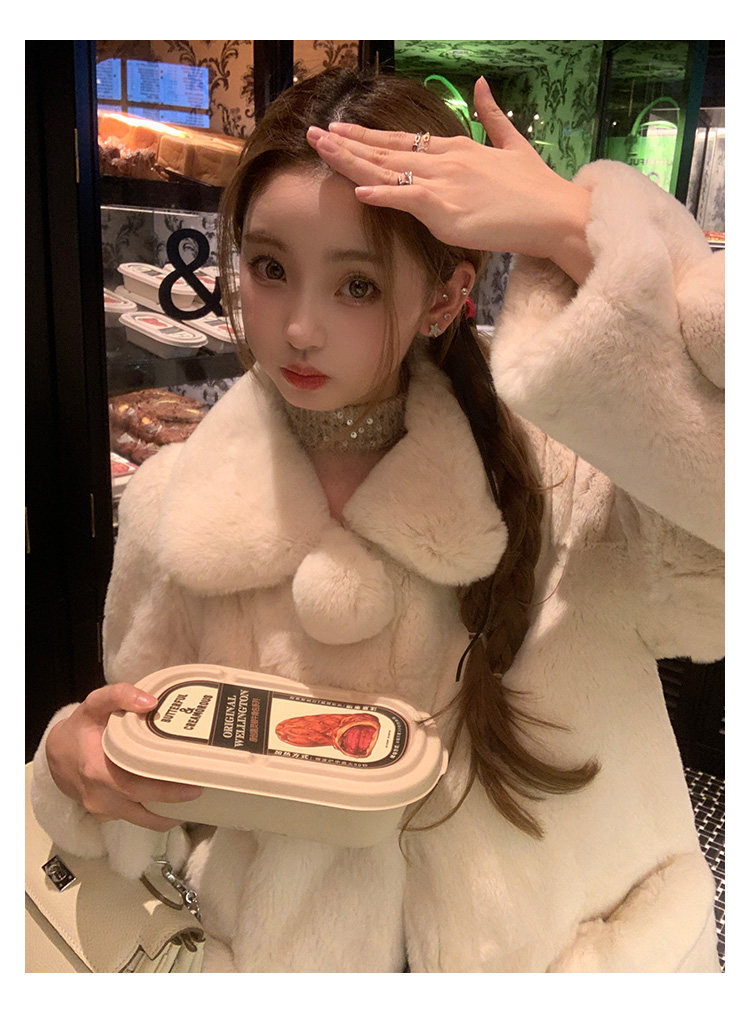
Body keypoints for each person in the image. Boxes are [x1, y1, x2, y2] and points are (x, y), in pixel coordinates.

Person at [30, 68, 724, 972]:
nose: (299, 328)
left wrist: (574, 224)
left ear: (443, 298)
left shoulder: (568, 474)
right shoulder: (176, 512)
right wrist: (79, 760)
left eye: (356, 284)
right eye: (271, 269)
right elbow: (157, 786)